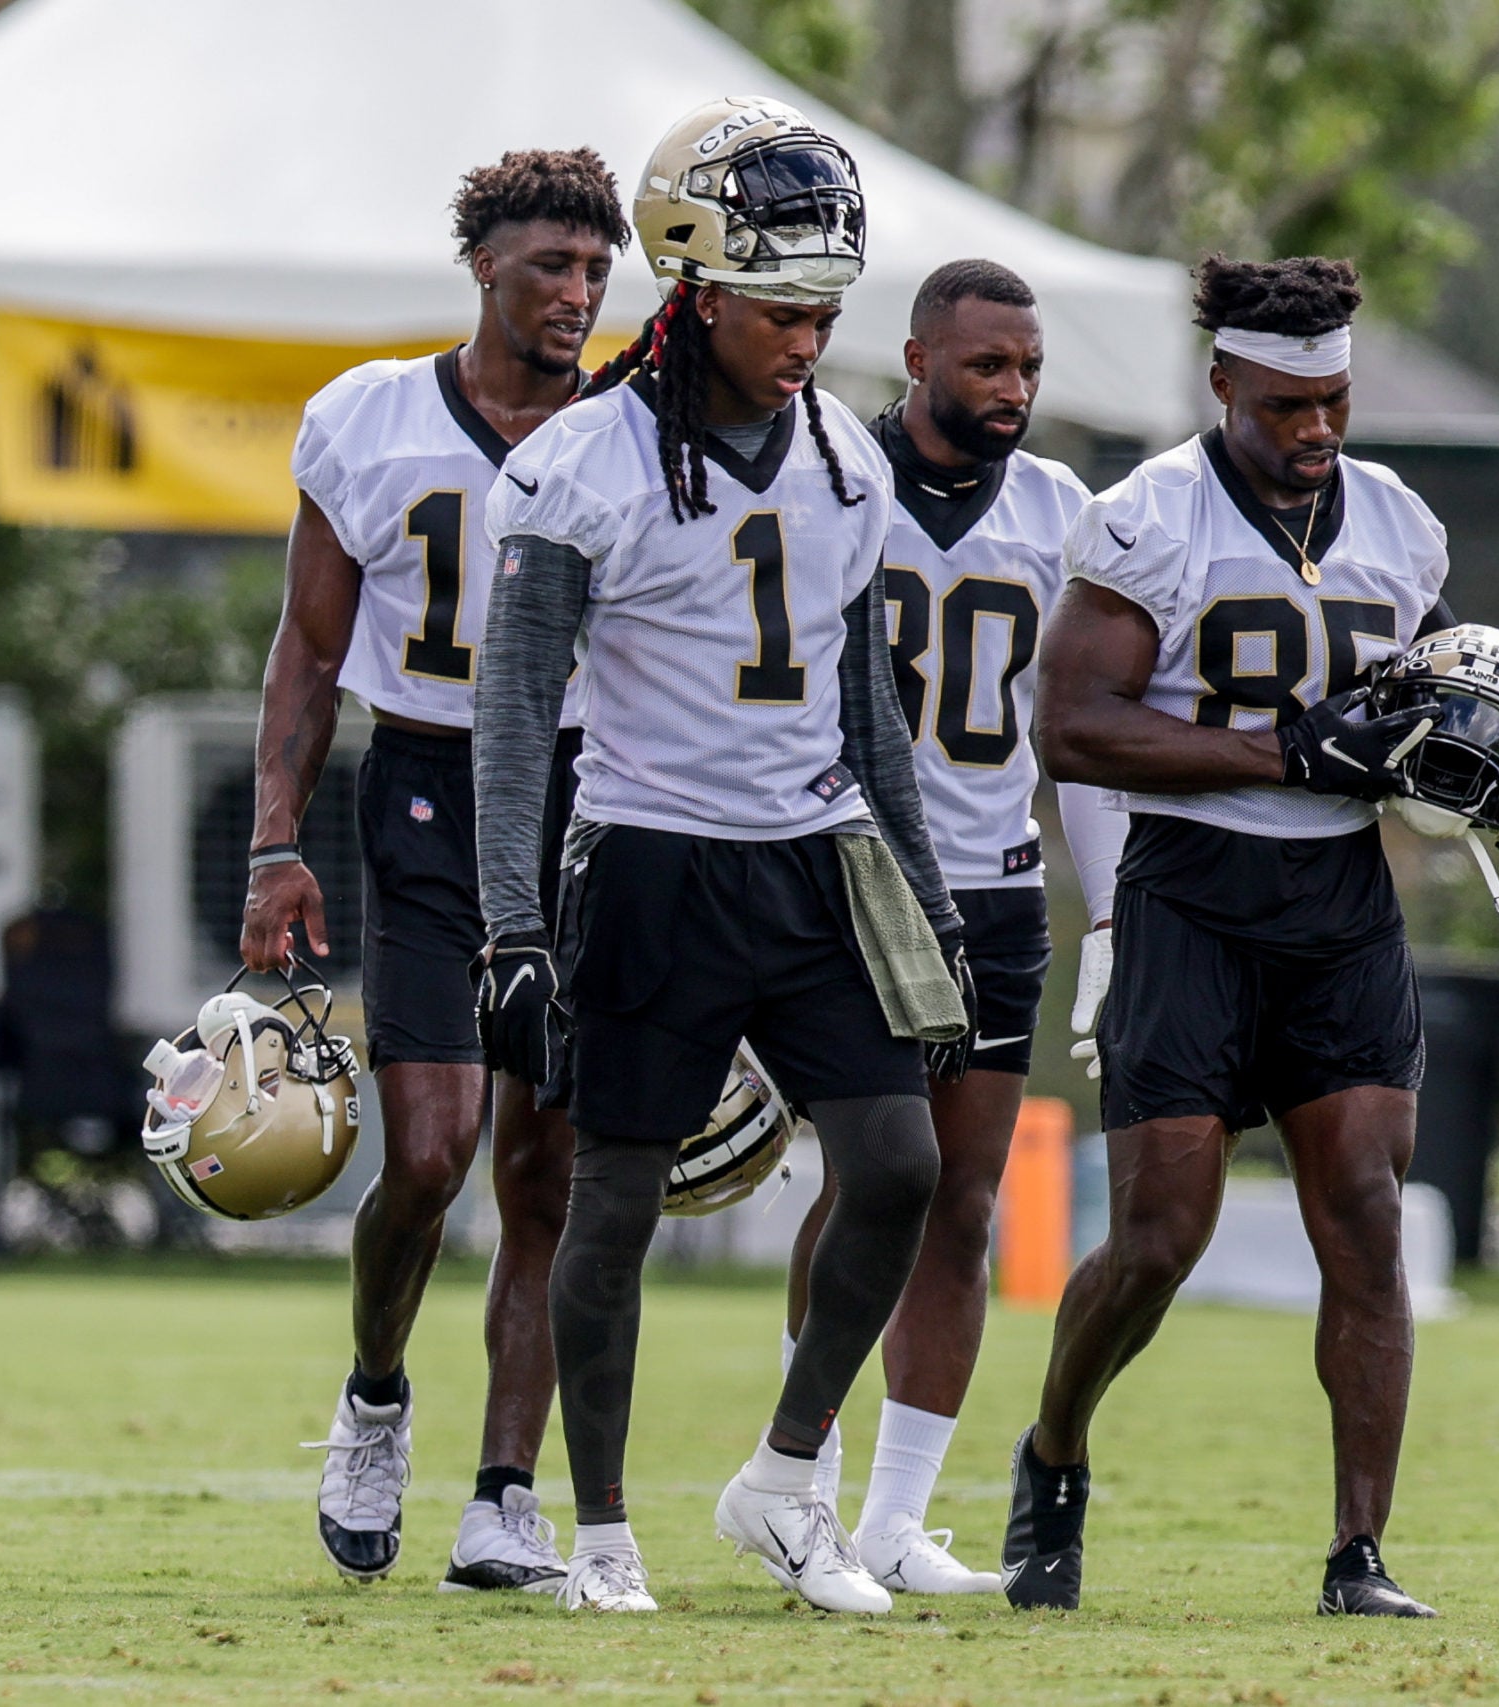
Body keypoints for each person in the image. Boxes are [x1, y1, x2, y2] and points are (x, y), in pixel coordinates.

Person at [1003, 254, 1499, 1617]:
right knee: (1160, 1233)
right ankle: (1055, 1451)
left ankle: (1358, 1554)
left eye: (1331, 400)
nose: (1315, 429)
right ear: (1223, 385)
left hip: (1339, 909)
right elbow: (1075, 728)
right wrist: (1281, 749)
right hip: (1193, 896)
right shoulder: (1148, 518)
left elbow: (1441, 689)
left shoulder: (1393, 521)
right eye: (1284, 406)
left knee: (1366, 1215)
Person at [472, 97, 973, 1617]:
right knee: (610, 1199)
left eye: (823, 309)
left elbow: (869, 704)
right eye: (776, 308)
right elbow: (509, 720)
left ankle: (780, 1479)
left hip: (812, 856)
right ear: (693, 292)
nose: (806, 338)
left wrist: (931, 892)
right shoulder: (584, 464)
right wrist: (512, 926)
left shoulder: (848, 464)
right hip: (650, 866)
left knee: (899, 1165)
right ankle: (605, 1532)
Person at [240, 148, 630, 1594]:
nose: (576, 296)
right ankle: (376, 1398)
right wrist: (277, 839)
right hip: (427, 786)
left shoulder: (633, 428)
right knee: (428, 1153)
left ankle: (505, 1498)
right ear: (483, 266)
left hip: (596, 793)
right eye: (550, 267)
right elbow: (310, 650)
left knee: (548, 1169)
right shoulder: (373, 417)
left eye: (594, 273)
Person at [779, 259, 1126, 1595]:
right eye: (987, 364)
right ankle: (792, 1484)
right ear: (918, 357)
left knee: (965, 1199)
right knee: (873, 1179)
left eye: (1029, 368)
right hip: (854, 878)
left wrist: (1104, 914)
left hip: (993, 884)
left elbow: (1079, 739)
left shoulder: (1061, 513)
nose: (1014, 390)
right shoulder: (826, 483)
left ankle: (893, 1520)